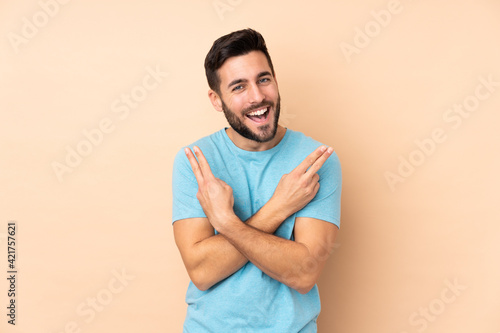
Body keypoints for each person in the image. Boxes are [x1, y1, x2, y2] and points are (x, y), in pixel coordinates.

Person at [172, 28, 342, 333]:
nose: (258, 97)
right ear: (216, 99)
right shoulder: (196, 161)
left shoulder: (316, 160)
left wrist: (226, 223)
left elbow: (304, 273)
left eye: (263, 79)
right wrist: (279, 207)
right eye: (238, 87)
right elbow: (202, 271)